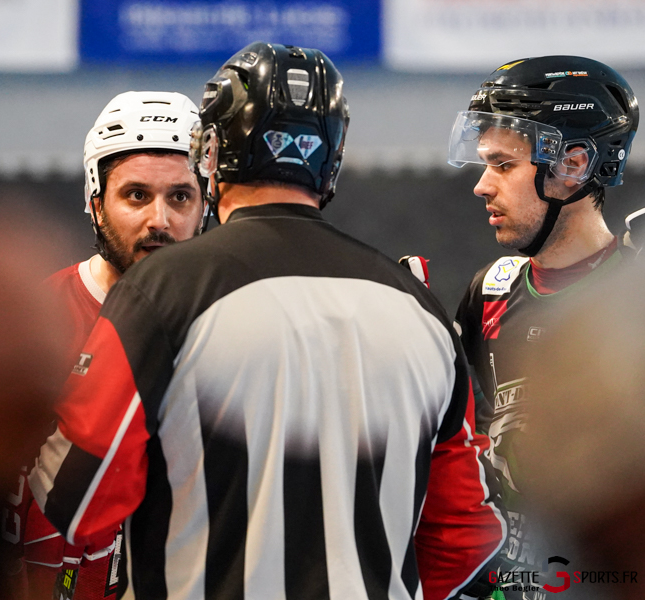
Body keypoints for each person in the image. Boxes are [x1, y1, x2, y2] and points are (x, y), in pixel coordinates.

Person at [27, 42, 505, 600]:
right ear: (331, 159)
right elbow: (466, 537)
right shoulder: (421, 309)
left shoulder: (161, 290)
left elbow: (77, 502)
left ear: (213, 156)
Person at [0, 90, 207, 599]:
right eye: (137, 195)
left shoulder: (226, 326)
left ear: (205, 206)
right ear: (96, 204)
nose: (159, 220)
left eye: (180, 197)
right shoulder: (33, 321)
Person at [448, 56, 639, 598]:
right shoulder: (488, 291)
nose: (482, 185)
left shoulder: (633, 303)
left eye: (503, 166)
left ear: (574, 165)